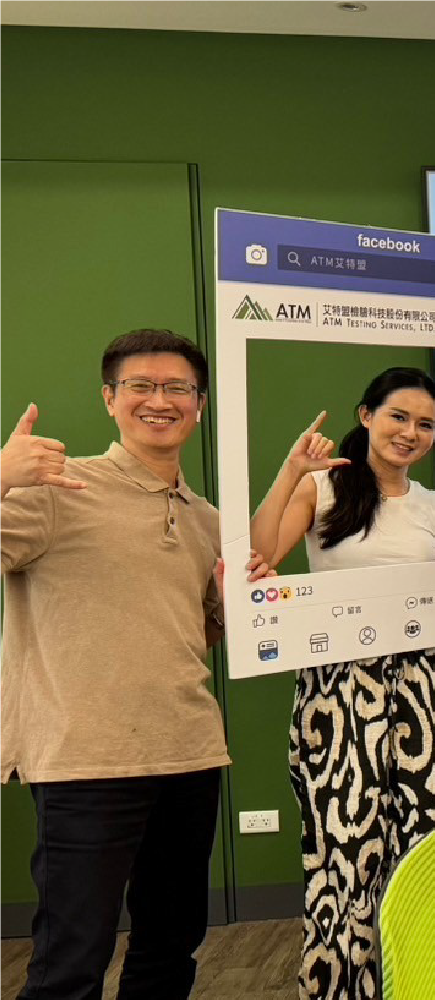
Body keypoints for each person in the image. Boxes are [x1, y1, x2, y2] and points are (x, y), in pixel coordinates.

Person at [0, 330, 245, 999]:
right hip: (85, 763)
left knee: (171, 948)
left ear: (199, 405)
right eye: (140, 385)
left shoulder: (206, 518)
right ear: (110, 399)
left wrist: (240, 605)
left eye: (178, 388)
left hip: (190, 753)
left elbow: (193, 633)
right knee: (71, 962)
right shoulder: (55, 490)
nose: (159, 400)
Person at [250, 367, 435, 1000]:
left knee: (424, 832)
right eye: (399, 416)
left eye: (426, 424)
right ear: (366, 415)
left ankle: (417, 980)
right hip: (337, 687)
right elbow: (260, 554)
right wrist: (291, 470)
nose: (411, 432)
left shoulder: (434, 506)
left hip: (421, 686)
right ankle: (339, 985)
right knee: (344, 841)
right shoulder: (322, 487)